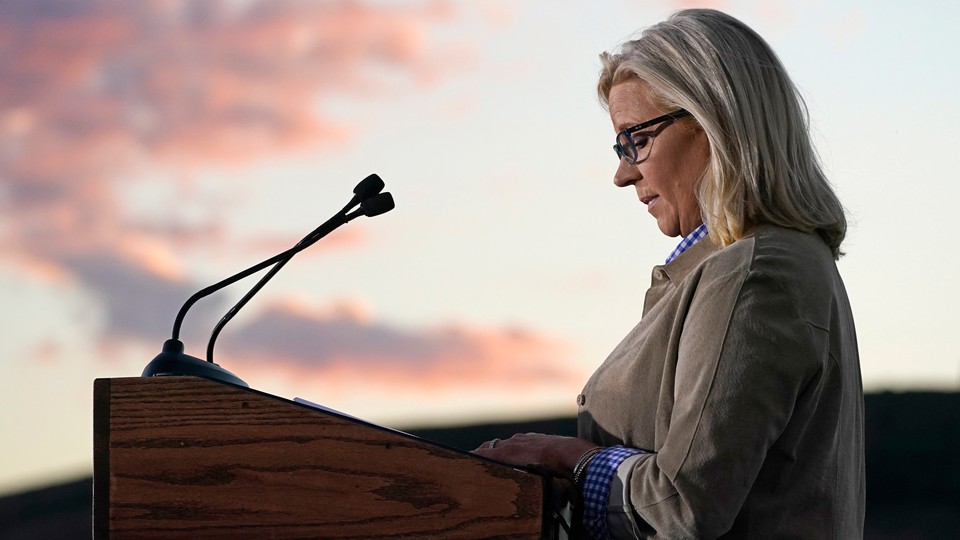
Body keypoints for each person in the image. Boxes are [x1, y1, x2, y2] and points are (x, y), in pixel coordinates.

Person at [473, 8, 864, 539]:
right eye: (620, 145)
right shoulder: (757, 264)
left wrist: (566, 458)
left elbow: (683, 506)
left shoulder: (754, 273)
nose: (622, 172)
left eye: (636, 138)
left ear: (712, 121)